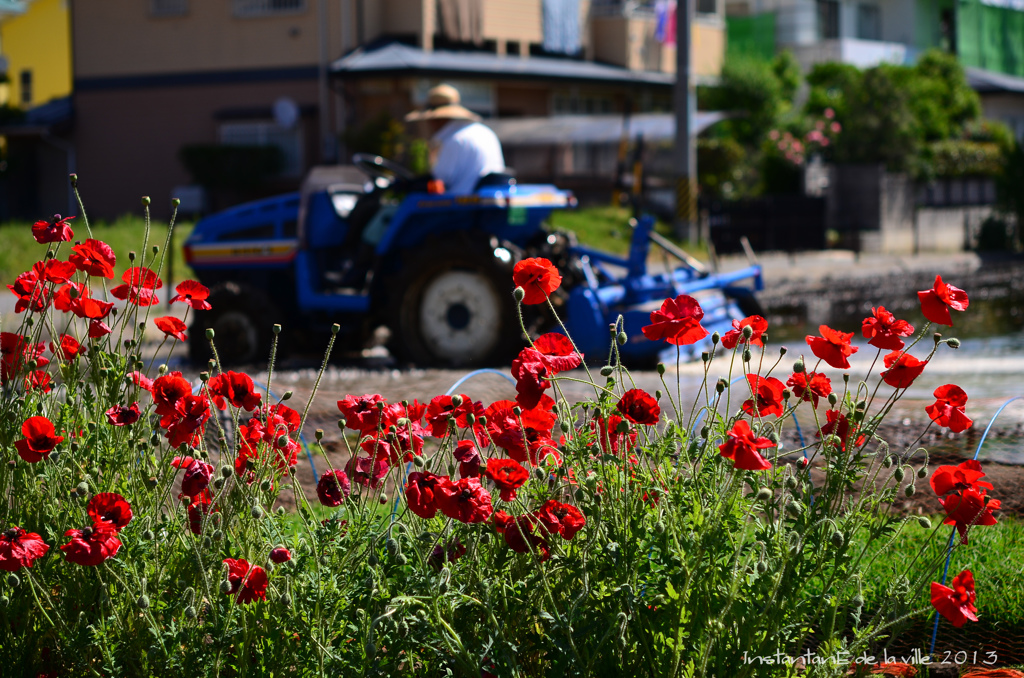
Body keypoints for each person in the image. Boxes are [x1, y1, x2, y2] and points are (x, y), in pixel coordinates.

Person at [405, 83, 506, 195]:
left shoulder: (454, 140)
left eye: (431, 120)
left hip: (461, 205)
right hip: (482, 201)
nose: (430, 124)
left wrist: (408, 185)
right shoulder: (485, 132)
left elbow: (440, 180)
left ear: (439, 119)